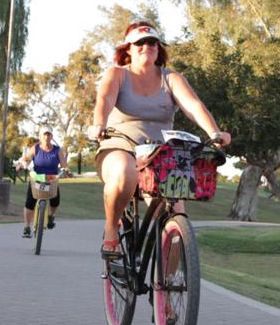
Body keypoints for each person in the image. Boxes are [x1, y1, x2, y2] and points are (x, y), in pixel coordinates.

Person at [90, 19, 232, 259]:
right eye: (140, 43)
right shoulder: (117, 75)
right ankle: (111, 228)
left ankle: (169, 284)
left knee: (176, 219)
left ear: (159, 48)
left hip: (160, 154)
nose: (147, 47)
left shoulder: (172, 78)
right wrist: (98, 125)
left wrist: (214, 133)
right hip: (120, 146)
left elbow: (194, 106)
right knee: (125, 173)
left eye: (152, 42)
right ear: (128, 49)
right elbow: (104, 100)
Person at [15, 129, 69, 238]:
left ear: (52, 136)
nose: (47, 137)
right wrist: (21, 165)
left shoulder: (57, 150)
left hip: (51, 179)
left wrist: (67, 170)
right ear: (41, 136)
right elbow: (27, 159)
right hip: (37, 178)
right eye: (45, 134)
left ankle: (51, 216)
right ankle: (26, 227)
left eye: (49, 134)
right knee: (29, 202)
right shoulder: (35, 148)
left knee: (55, 201)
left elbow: (64, 165)